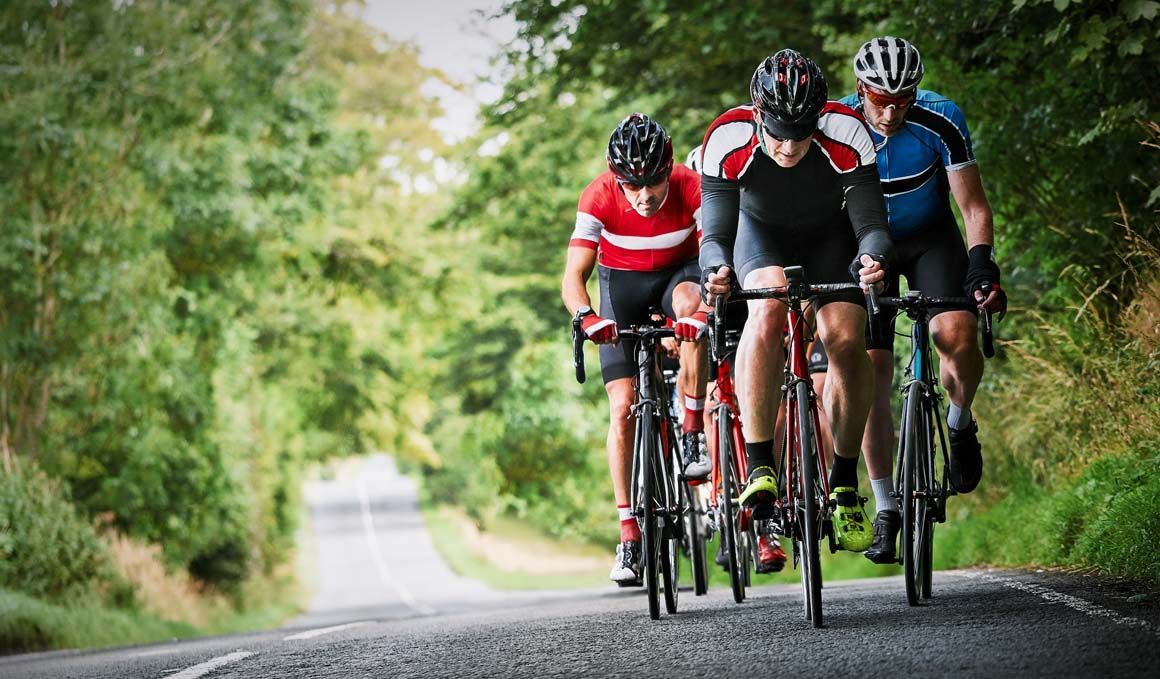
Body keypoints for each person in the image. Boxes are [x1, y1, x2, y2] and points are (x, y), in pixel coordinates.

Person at [699, 49, 893, 553]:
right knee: (766, 311)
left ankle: (845, 483)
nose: (788, 146)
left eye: (801, 132)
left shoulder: (847, 131)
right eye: (778, 132)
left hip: (830, 239)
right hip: (758, 235)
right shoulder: (727, 136)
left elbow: (871, 225)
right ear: (758, 114)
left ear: (819, 117)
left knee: (847, 342)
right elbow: (716, 235)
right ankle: (761, 464)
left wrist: (871, 258)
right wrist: (715, 272)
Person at [838, 36, 1007, 564]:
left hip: (931, 236)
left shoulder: (941, 118)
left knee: (951, 335)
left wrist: (981, 262)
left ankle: (959, 421)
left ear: (916, 91)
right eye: (879, 99)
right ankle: (887, 507)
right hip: (866, 247)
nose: (889, 112)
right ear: (859, 89)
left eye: (902, 99)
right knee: (869, 372)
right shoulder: (837, 124)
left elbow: (973, 205)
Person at [562, 114, 712, 585]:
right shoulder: (598, 195)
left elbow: (715, 254)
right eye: (632, 185)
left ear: (669, 169)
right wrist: (588, 319)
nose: (644, 195)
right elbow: (573, 277)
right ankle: (629, 535)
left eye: (653, 182)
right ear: (616, 177)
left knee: (692, 308)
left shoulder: (692, 186)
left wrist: (704, 312)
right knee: (623, 407)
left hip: (679, 278)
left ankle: (691, 430)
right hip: (620, 289)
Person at [688, 144, 787, 574]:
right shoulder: (691, 219)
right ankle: (721, 496)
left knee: (769, 403)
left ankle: (768, 518)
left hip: (750, 303)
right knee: (715, 400)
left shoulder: (739, 204)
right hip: (711, 312)